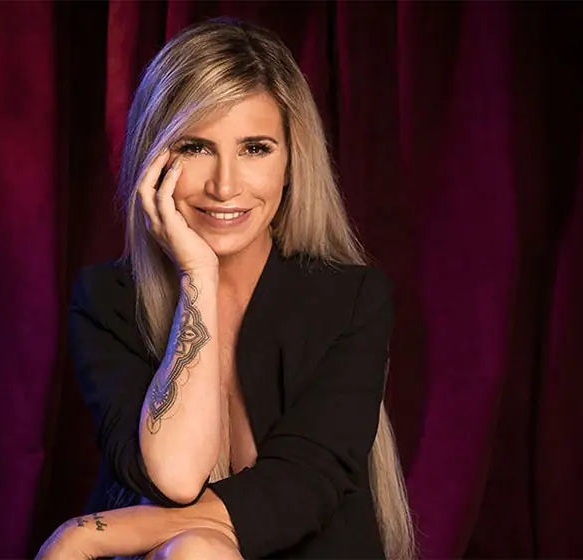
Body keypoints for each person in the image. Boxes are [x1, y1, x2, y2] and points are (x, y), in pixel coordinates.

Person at [37, 18, 416, 560]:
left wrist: (89, 532)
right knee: (193, 550)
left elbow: (301, 485)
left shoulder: (350, 301)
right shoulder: (108, 302)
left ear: (292, 161)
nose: (225, 185)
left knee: (196, 550)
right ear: (153, 159)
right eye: (195, 147)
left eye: (255, 148)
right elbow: (174, 476)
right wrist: (198, 275)